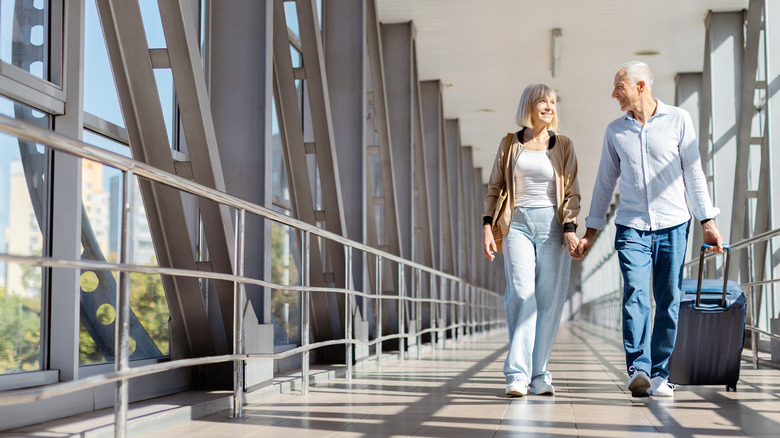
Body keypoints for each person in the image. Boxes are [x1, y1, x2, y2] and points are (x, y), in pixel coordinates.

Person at [575, 61, 724, 398]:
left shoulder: (678, 120)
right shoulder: (615, 131)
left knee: (668, 299)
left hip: (674, 224)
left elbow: (693, 173)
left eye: (619, 87)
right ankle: (639, 368)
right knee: (636, 295)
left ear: (640, 86)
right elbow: (603, 184)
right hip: (632, 227)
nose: (614, 94)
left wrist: (708, 222)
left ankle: (661, 374)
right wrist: (592, 232)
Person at [482, 83, 582, 397]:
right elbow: (495, 187)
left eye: (553, 102)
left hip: (553, 226)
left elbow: (571, 192)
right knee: (521, 294)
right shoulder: (510, 143)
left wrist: (569, 228)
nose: (549, 107)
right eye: (543, 101)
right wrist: (487, 226)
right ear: (529, 105)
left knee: (549, 299)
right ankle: (517, 375)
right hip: (517, 225)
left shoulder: (563, 144)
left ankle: (540, 374)